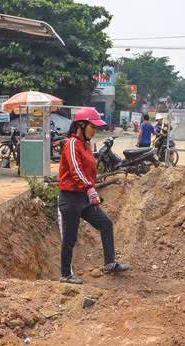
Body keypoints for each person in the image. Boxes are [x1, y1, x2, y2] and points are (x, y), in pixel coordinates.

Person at [57, 107, 130, 284]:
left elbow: (88, 172)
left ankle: (110, 263)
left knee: (105, 223)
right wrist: (90, 189)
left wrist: (90, 191)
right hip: (70, 197)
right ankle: (65, 275)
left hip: (83, 198)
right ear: (81, 125)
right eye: (93, 127)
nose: (95, 131)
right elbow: (76, 171)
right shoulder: (72, 144)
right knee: (70, 237)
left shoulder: (85, 146)